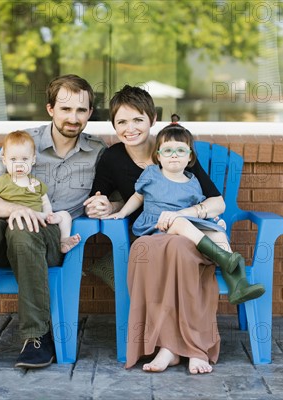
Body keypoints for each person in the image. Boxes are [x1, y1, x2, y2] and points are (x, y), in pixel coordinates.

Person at [0, 74, 106, 373]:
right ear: (51, 109)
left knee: (25, 230)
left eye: (81, 110)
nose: (73, 118)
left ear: (90, 113)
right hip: (0, 234)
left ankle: (37, 337)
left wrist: (109, 204)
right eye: (65, 109)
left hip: (49, 238)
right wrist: (14, 209)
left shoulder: (98, 152)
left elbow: (116, 196)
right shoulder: (22, 143)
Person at [83, 85, 223, 374]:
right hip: (149, 237)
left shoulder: (174, 151)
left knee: (179, 250)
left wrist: (184, 215)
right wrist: (100, 206)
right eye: (121, 122)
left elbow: (216, 201)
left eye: (137, 120)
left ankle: (193, 347)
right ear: (113, 125)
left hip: (189, 237)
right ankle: (169, 347)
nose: (129, 128)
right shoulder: (113, 158)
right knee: (147, 250)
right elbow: (100, 198)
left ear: (151, 120)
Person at [104, 116, 265, 305]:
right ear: (158, 156)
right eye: (168, 150)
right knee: (179, 221)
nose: (174, 155)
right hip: (158, 227)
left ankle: (238, 285)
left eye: (180, 150)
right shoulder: (151, 174)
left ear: (189, 157)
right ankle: (223, 257)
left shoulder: (193, 182)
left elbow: (201, 209)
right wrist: (122, 213)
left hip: (187, 229)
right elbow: (138, 197)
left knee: (219, 236)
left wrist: (215, 221)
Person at [0, 130, 81, 254]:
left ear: (33, 160)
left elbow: (45, 202)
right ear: (4, 161)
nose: (19, 164)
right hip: (14, 222)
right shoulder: (2, 182)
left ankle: (63, 240)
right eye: (13, 159)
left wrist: (47, 214)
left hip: (39, 220)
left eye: (25, 159)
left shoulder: (37, 183)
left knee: (65, 215)